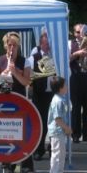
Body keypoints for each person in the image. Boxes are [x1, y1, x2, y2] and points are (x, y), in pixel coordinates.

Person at [0, 31, 36, 173]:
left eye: (15, 45)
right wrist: (4, 73)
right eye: (9, 45)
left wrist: (15, 71)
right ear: (5, 46)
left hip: (19, 100)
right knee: (7, 133)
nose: (12, 48)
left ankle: (27, 166)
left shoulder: (25, 62)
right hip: (4, 100)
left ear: (18, 47)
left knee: (24, 133)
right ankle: (8, 165)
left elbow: (26, 82)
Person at [29, 29, 55, 160]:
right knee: (40, 123)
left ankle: (52, 149)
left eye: (49, 44)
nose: (48, 46)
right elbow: (29, 75)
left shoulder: (56, 55)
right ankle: (38, 150)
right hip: (40, 94)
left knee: (54, 122)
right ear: (41, 44)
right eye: (46, 44)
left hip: (53, 94)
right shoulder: (34, 57)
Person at [68, 23, 87, 143]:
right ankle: (75, 134)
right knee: (76, 108)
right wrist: (77, 54)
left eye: (82, 32)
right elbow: (66, 59)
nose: (81, 35)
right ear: (74, 33)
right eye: (78, 32)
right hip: (75, 77)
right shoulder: (70, 44)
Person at [47, 76, 72, 173]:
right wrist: (66, 128)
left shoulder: (60, 98)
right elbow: (57, 119)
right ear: (60, 88)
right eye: (65, 85)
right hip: (58, 131)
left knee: (57, 153)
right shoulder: (58, 101)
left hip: (58, 131)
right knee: (59, 153)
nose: (67, 87)